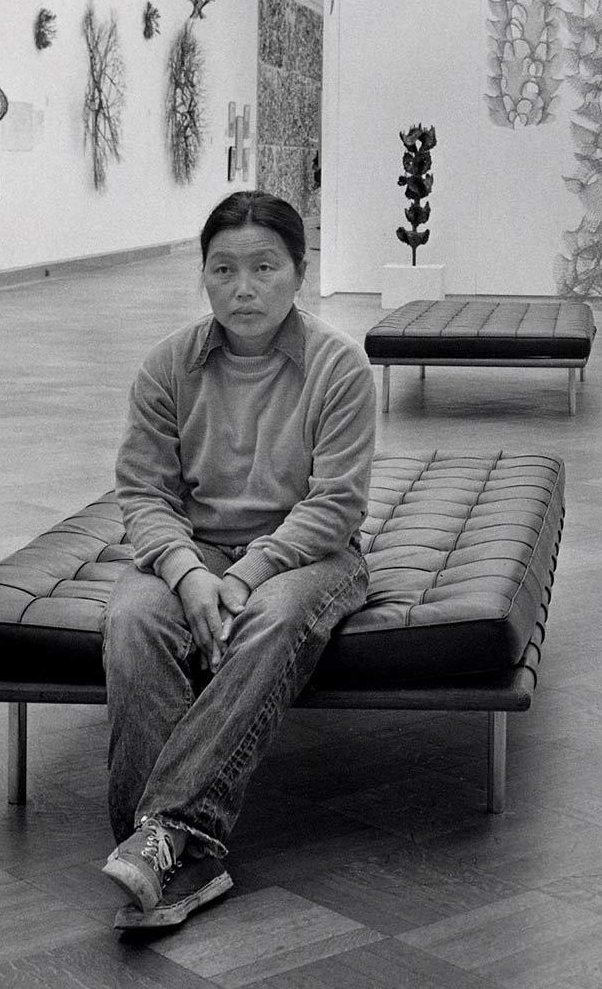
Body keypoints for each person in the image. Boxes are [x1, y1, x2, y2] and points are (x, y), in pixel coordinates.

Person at [101, 191, 376, 930]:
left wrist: (244, 576)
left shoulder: (339, 366)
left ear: (299, 272)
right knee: (131, 618)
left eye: (264, 267)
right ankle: (177, 862)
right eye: (223, 269)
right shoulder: (169, 365)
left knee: (273, 617)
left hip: (307, 554)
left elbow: (335, 505)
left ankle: (163, 835)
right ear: (204, 277)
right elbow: (143, 492)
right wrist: (190, 574)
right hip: (198, 547)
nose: (243, 287)